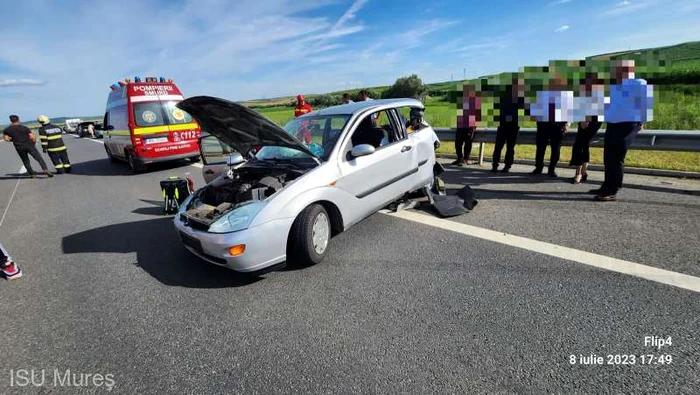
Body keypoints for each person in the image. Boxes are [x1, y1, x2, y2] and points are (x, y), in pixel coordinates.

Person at [593, 59, 653, 201]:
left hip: (627, 124)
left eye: (617, 69)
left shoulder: (639, 83)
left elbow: (646, 104)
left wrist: (641, 122)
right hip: (613, 124)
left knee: (616, 157)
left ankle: (612, 190)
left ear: (627, 70)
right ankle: (606, 186)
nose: (614, 72)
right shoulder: (616, 86)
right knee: (608, 157)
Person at [529, 75, 574, 177]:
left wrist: (567, 124)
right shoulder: (542, 95)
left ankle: (551, 169)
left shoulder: (567, 96)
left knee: (556, 150)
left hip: (558, 126)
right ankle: (538, 167)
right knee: (540, 148)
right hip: (543, 124)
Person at [570, 73, 606, 184]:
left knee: (580, 144)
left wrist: (586, 120)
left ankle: (579, 173)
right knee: (581, 145)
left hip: (591, 121)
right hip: (584, 120)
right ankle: (582, 173)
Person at [491, 78, 523, 173]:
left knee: (503, 146)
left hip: (507, 123)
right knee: (506, 147)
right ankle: (503, 165)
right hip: (509, 123)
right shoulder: (519, 95)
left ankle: (498, 165)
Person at [454, 84, 481, 166]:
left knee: (468, 143)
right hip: (461, 125)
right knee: (458, 142)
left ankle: (465, 159)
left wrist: (474, 126)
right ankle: (459, 158)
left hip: (470, 126)